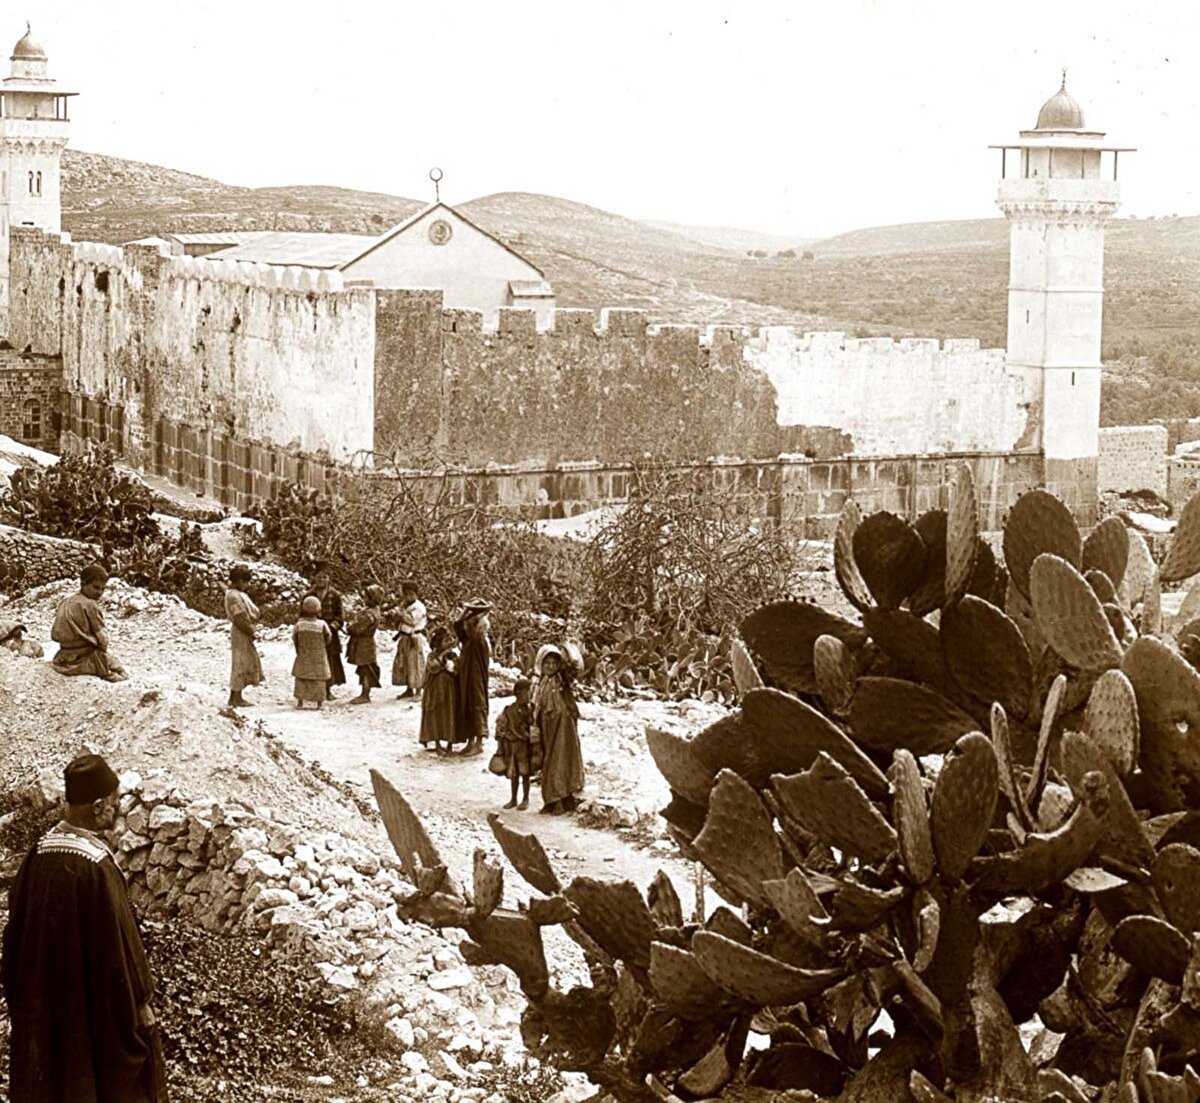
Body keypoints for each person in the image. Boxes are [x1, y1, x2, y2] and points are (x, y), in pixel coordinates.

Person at [1, 753, 169, 1102]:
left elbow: (14, 936)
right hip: (88, 1006)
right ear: (98, 807)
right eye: (115, 802)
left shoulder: (38, 853)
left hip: (43, 1004)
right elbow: (122, 945)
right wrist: (140, 1002)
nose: (118, 809)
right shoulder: (97, 866)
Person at [49, 563, 127, 682]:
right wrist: (101, 653)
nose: (99, 592)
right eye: (96, 587)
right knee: (118, 669)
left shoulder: (65, 601)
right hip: (83, 658)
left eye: (102, 589)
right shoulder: (90, 605)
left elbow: (54, 635)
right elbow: (103, 639)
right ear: (83, 585)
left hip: (62, 658)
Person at [533, 645, 584, 815]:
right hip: (548, 728)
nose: (550, 666)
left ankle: (561, 800)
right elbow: (536, 708)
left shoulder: (562, 679)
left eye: (554, 663)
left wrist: (567, 648)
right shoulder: (539, 684)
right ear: (540, 663)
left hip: (564, 728)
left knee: (561, 760)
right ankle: (550, 800)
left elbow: (575, 666)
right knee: (549, 761)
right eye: (546, 663)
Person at [454, 598, 492, 757]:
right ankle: (470, 741)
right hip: (467, 675)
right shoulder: (468, 640)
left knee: (477, 704)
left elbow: (477, 630)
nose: (467, 627)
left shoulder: (480, 641)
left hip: (476, 677)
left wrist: (481, 614)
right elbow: (457, 625)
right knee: (467, 704)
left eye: (471, 624)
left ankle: (479, 742)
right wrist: (466, 612)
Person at [225, 564, 264, 708]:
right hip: (241, 631)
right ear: (240, 581)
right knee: (240, 663)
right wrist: (251, 631)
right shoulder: (234, 596)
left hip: (242, 631)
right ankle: (236, 697)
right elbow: (240, 616)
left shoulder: (236, 594)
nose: (247, 585)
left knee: (244, 661)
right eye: (246, 581)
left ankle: (236, 695)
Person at [495, 677, 536, 810]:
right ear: (519, 693)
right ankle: (513, 799)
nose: (530, 695)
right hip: (513, 747)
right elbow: (502, 726)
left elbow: (533, 725)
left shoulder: (531, 709)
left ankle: (525, 799)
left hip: (525, 747)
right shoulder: (509, 710)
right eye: (528, 692)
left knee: (525, 774)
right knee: (514, 774)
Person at [419, 626, 460, 755]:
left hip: (449, 689)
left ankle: (449, 745)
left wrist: (453, 666)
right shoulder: (432, 656)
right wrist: (443, 657)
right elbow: (433, 667)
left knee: (450, 714)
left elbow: (457, 670)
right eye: (445, 640)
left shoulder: (452, 655)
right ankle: (437, 744)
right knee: (436, 714)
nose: (448, 642)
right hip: (436, 689)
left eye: (449, 640)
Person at [307, 569, 346, 700]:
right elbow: (302, 614)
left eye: (324, 577)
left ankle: (328, 690)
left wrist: (331, 628)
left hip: (330, 634)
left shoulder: (335, 595)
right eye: (319, 577)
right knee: (313, 661)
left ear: (329, 579)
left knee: (329, 661)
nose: (321, 580)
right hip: (313, 633)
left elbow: (340, 617)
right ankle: (314, 691)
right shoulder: (309, 595)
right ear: (314, 578)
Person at [346, 584, 384, 705]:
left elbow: (356, 629)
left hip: (364, 643)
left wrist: (349, 627)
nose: (364, 599)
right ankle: (364, 693)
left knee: (365, 668)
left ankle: (365, 694)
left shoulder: (369, 615)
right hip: (367, 642)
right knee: (366, 667)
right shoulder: (375, 611)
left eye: (366, 597)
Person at [292, 595, 332, 709]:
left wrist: (299, 649)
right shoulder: (322, 624)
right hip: (319, 655)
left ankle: (300, 702)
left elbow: (295, 638)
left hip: (303, 655)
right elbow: (328, 637)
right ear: (319, 609)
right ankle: (319, 703)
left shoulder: (299, 624)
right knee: (319, 679)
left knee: (301, 677)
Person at [391, 581, 429, 700]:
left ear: (416, 594)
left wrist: (400, 614)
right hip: (405, 637)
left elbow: (412, 620)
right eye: (406, 594)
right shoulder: (404, 605)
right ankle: (408, 689)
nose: (408, 596)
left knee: (416, 664)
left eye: (411, 594)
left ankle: (418, 690)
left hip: (415, 638)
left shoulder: (419, 607)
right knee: (405, 664)